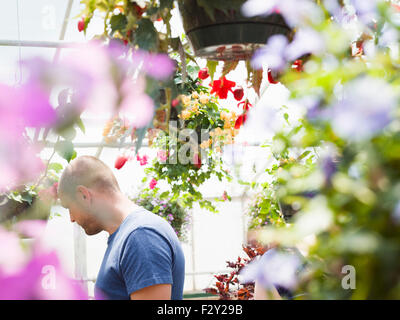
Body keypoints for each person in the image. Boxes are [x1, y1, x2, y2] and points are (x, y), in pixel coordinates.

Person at [57, 155, 185, 300]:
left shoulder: (141, 236)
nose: (71, 218)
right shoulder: (126, 235)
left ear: (84, 196)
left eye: (69, 207)